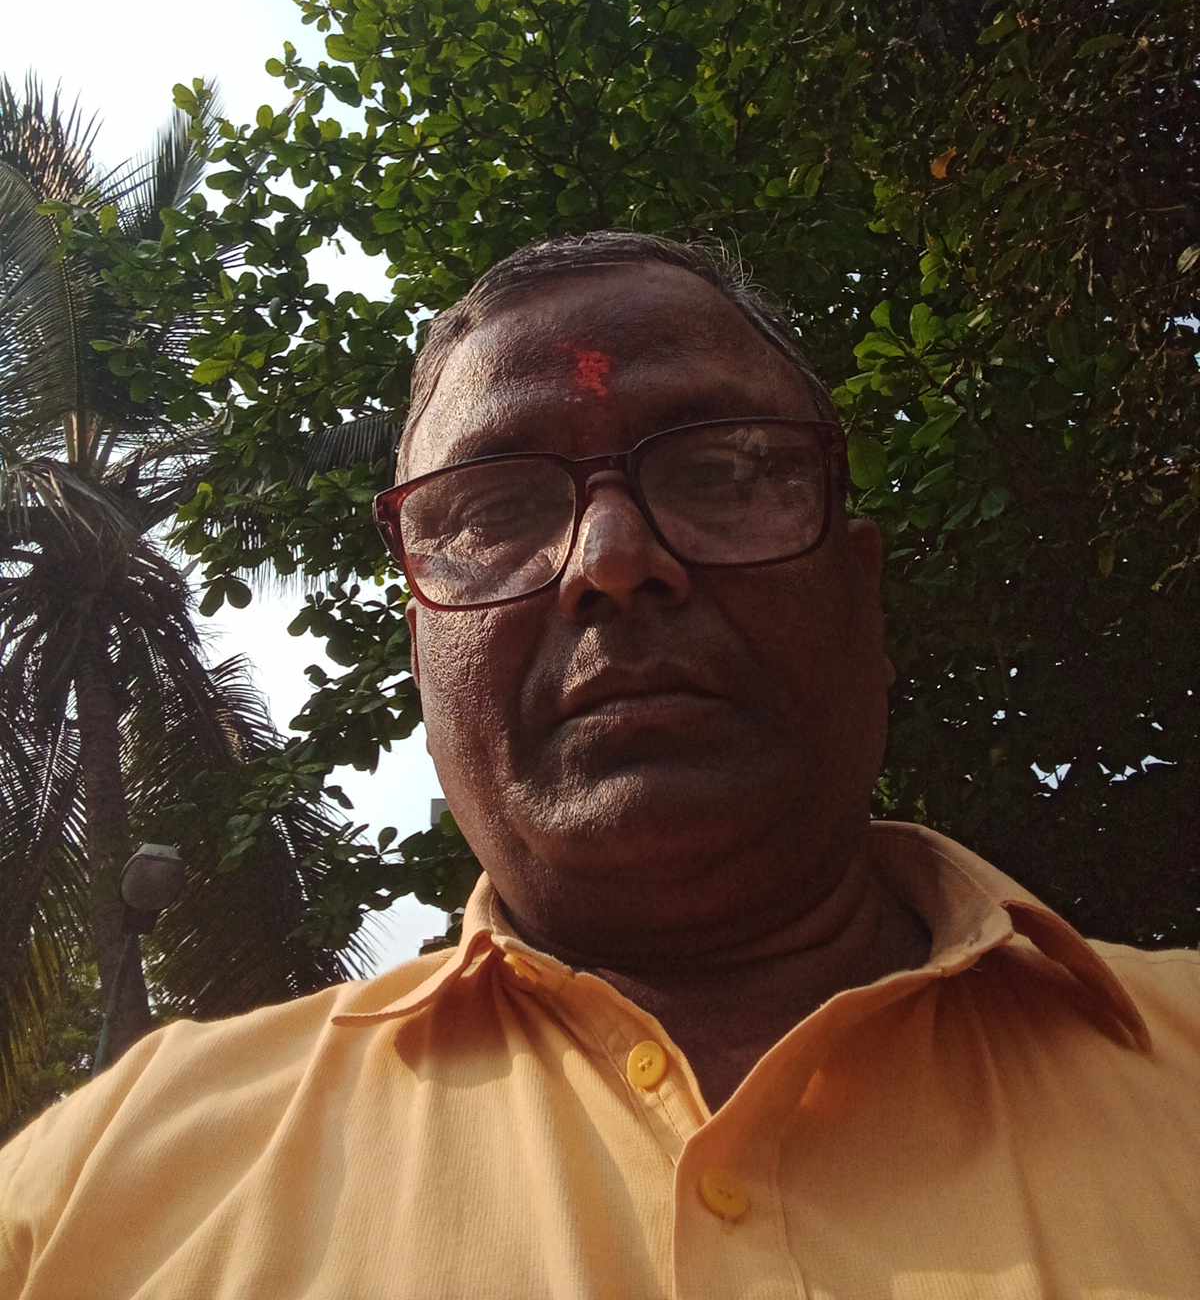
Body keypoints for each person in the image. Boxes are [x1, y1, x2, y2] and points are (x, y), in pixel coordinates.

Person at [1, 230, 1197, 1299]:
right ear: (421, 653)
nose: (613, 559)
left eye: (720, 471)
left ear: (863, 589)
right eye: (494, 510)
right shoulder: (88, 1199)